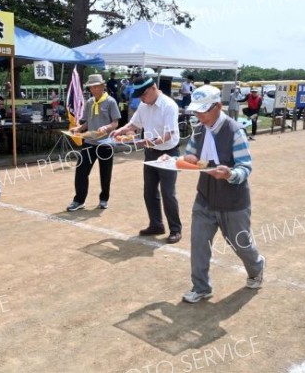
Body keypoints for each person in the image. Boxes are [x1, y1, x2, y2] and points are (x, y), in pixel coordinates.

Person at [180, 85, 265, 303]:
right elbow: (189, 154)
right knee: (199, 243)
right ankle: (201, 287)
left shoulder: (235, 130)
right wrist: (186, 160)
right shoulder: (199, 129)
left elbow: (245, 168)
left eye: (203, 110)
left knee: (239, 243)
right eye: (196, 111)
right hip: (205, 196)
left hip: (233, 200)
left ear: (218, 106)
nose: (199, 115)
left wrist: (229, 174)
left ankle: (256, 267)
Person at [110, 76, 182, 244]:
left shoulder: (169, 105)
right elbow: (133, 125)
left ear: (153, 88)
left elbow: (168, 134)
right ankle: (156, 224)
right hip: (150, 152)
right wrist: (120, 131)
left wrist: (147, 141)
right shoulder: (144, 105)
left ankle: (175, 229)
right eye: (139, 96)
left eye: (143, 94)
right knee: (149, 191)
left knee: (168, 192)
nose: (141, 98)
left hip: (168, 152)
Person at [67, 74, 121, 211]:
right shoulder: (90, 102)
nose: (93, 89)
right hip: (89, 143)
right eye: (91, 87)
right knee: (81, 171)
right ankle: (79, 200)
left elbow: (116, 122)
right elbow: (86, 122)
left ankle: (104, 199)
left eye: (96, 86)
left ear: (103, 86)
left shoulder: (111, 102)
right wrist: (79, 128)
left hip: (106, 143)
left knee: (105, 173)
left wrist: (107, 128)